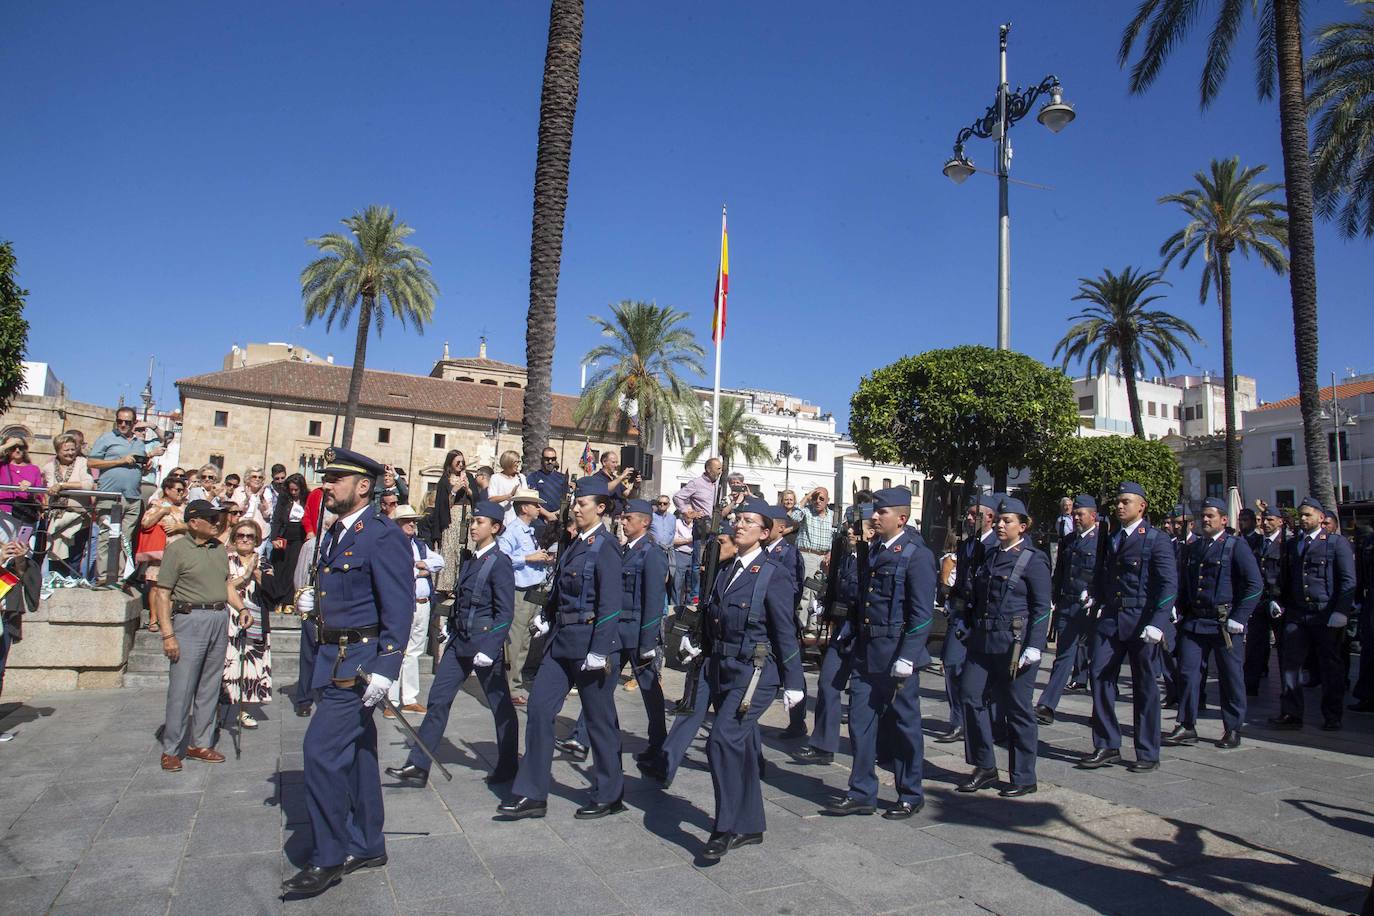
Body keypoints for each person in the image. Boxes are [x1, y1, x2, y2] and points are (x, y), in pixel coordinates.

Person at [281, 448, 412, 897]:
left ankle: (329, 856)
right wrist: (312, 604)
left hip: (358, 664)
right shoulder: (335, 532)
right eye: (327, 477)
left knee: (319, 752)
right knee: (358, 755)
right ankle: (369, 843)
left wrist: (387, 667)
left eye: (336, 479)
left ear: (362, 486)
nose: (327, 485)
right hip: (332, 656)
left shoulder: (382, 535)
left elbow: (399, 604)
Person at [497, 474, 625, 821]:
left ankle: (610, 792)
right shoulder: (575, 543)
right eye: (576, 503)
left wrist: (600, 650)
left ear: (600, 508)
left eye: (583, 504)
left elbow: (612, 602)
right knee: (539, 710)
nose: (577, 509)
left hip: (590, 644)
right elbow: (560, 589)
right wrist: (547, 616)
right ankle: (532, 793)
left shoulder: (606, 546)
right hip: (561, 641)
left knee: (599, 722)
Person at [693, 496, 804, 859]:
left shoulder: (774, 574)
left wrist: (795, 682)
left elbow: (786, 632)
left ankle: (724, 827)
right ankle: (751, 823)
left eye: (749, 521)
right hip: (723, 669)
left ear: (765, 532)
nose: (739, 525)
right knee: (736, 746)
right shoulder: (728, 569)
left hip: (755, 674)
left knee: (721, 742)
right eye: (738, 519)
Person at [387, 500, 518, 786]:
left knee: (500, 706)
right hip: (460, 642)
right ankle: (419, 765)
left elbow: (505, 612)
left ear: (495, 528)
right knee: (438, 700)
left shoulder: (500, 563)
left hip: (484, 645)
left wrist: (490, 647)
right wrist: (450, 624)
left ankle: (509, 765)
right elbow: (463, 598)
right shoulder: (471, 559)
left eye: (480, 522)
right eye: (472, 521)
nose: (473, 526)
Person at [824, 488, 936, 816]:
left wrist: (908, 656)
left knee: (904, 725)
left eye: (882, 513)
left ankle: (910, 793)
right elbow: (865, 598)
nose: (874, 516)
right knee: (860, 722)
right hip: (866, 650)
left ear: (901, 518)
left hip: (896, 652)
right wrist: (850, 627)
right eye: (875, 511)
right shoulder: (874, 550)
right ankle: (861, 791)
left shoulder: (917, 554)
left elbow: (921, 614)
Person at [952, 496, 1051, 797]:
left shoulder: (1033, 559)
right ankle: (984, 765)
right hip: (982, 641)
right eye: (999, 520)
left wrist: (1036, 645)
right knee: (969, 696)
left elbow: (1042, 606)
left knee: (1017, 709)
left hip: (1014, 645)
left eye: (1008, 521)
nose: (1001, 525)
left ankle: (1023, 775)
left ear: (1023, 526)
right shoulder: (989, 556)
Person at [1078, 482, 1177, 773]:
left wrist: (1158, 623)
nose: (1120, 506)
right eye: (1118, 502)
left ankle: (1147, 751)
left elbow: (1168, 584)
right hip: (1111, 618)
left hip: (1141, 620)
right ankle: (1107, 744)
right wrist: (1094, 593)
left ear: (1141, 506)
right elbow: (1103, 572)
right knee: (1099, 675)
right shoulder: (1111, 538)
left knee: (1145, 686)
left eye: (1126, 501)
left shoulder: (1156, 539)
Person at [563, 498, 669, 763]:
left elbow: (654, 600)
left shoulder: (651, 553)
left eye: (629, 518)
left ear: (645, 522)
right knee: (600, 685)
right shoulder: (622, 550)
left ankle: (659, 744)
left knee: (649, 689)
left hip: (636, 632)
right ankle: (581, 737)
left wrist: (648, 640)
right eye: (622, 518)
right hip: (616, 630)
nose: (623, 522)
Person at [152, 500, 250, 771]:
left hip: (219, 617)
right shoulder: (178, 549)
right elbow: (162, 592)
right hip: (189, 618)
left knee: (209, 685)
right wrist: (168, 635)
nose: (216, 522)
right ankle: (171, 748)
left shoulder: (219, 549)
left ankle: (201, 743)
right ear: (194, 522)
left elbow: (226, 584)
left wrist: (240, 607)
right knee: (182, 688)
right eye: (210, 518)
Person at [1164, 497, 1261, 750]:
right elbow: (1186, 583)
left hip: (1224, 624)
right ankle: (1186, 724)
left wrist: (1240, 617)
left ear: (1224, 520)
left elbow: (1254, 584)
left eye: (1211, 516)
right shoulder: (1194, 548)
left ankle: (1232, 727)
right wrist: (1178, 608)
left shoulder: (1235, 546)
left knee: (1230, 677)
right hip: (1196, 621)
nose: (1205, 520)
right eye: (1203, 516)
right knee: (1187, 673)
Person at [1270, 497, 1357, 732]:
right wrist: (1278, 600)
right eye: (1301, 515)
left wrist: (1340, 611)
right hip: (1298, 613)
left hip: (1325, 613)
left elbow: (1348, 580)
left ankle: (1332, 714)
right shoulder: (1292, 544)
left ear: (1321, 517)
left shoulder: (1335, 543)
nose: (1304, 519)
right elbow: (1285, 578)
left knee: (1330, 666)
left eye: (1308, 514)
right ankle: (1291, 712)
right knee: (1290, 664)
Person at [796, 506, 870, 765]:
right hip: (843, 629)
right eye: (849, 525)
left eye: (857, 527)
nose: (851, 530)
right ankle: (823, 743)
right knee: (827, 684)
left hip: (866, 632)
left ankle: (883, 749)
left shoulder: (874, 558)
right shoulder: (846, 555)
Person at [1035, 495, 1102, 726]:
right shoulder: (1069, 540)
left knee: (1098, 659)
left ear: (1093, 516)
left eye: (1080, 514)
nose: (1075, 518)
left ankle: (1100, 710)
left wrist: (1097, 594)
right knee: (1063, 656)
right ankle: (1047, 705)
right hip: (1068, 604)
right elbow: (1061, 572)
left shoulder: (1102, 540)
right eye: (1074, 514)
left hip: (1092, 607)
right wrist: (1054, 597)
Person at [937, 494, 998, 744]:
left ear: (990, 518)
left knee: (987, 675)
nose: (970, 518)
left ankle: (988, 721)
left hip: (985, 616)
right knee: (951, 664)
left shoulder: (996, 543)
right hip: (962, 614)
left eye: (975, 514)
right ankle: (958, 721)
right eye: (969, 514)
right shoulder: (966, 544)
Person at [88, 410, 164, 585]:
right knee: (106, 537)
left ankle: (120, 577)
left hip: (132, 497)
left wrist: (144, 465)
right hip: (110, 495)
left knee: (125, 539)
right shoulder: (106, 438)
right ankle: (103, 577)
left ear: (134, 423)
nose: (123, 425)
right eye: (120, 421)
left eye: (127, 422)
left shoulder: (139, 443)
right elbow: (92, 462)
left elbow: (138, 465)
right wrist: (119, 461)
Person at [384, 506, 445, 714]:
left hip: (423, 602)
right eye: (407, 521)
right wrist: (418, 570)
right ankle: (391, 700)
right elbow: (398, 570)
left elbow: (439, 561)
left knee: (414, 652)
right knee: (397, 650)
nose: (412, 524)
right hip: (403, 603)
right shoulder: (392, 545)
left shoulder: (418, 544)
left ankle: (409, 697)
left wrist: (421, 564)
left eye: (413, 521)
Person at [497, 489, 554, 701]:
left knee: (525, 640)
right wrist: (529, 558)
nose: (539, 509)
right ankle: (511, 686)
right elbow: (502, 557)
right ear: (524, 508)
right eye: (535, 505)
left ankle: (515, 682)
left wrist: (540, 559)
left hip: (532, 589)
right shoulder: (512, 531)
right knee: (516, 639)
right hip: (520, 591)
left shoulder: (528, 531)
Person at [762, 504, 808, 739]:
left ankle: (797, 722)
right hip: (762, 620)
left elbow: (794, 588)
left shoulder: (788, 553)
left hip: (782, 619)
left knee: (791, 666)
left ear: (781, 529)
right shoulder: (760, 550)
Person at [225, 519, 273, 729]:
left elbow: (274, 590)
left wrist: (256, 573)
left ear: (257, 540)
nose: (245, 539)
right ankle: (220, 709)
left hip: (256, 617)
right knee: (227, 663)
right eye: (241, 535)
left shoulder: (263, 562)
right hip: (229, 617)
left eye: (250, 536)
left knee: (250, 665)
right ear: (234, 538)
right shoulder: (225, 559)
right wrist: (245, 575)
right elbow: (221, 586)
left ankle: (244, 710)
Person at [0, 511, 39, 742]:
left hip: (5, 614)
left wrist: (19, 559)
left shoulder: (11, 537)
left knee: (0, 669)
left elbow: (22, 577)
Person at [1245, 507, 1288, 697]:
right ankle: (1250, 684)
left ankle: (1287, 689)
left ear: (1280, 521)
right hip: (1259, 600)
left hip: (1278, 602)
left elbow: (1287, 574)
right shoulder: (1254, 542)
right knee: (1255, 644)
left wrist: (1279, 598)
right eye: (1263, 519)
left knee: (1284, 647)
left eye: (1270, 519)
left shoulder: (1285, 544)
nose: (1265, 523)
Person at [137, 475, 188, 628]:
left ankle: (166, 619)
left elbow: (195, 527)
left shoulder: (185, 507)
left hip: (179, 553)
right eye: (178, 489)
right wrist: (161, 512)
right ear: (167, 490)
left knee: (172, 588)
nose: (181, 493)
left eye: (183, 490)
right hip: (161, 552)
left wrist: (180, 527)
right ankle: (153, 618)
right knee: (156, 587)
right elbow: (145, 523)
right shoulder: (157, 504)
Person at [43, 432, 95, 575]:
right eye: (66, 450)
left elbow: (88, 485)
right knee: (56, 557)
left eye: (73, 449)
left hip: (79, 517)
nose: (71, 453)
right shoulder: (49, 467)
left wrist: (62, 485)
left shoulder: (82, 463)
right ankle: (56, 585)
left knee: (74, 557)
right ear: (57, 451)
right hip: (57, 518)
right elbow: (45, 488)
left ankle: (70, 586)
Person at [427, 450, 480, 588]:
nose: (461, 465)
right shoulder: (444, 480)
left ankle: (463, 583)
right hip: (451, 520)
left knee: (466, 551)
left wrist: (468, 489)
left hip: (467, 517)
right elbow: (442, 506)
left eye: (463, 462)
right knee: (450, 552)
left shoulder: (469, 476)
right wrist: (454, 490)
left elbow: (476, 499)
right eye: (458, 462)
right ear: (450, 462)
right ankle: (447, 587)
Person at [673, 457, 722, 601]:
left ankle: (707, 593)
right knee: (697, 564)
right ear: (708, 469)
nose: (720, 471)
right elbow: (678, 497)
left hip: (714, 527)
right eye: (718, 468)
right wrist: (687, 512)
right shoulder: (696, 483)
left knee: (711, 561)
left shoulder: (717, 485)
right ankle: (694, 595)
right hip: (702, 528)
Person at [265, 474, 311, 612]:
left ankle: (289, 600)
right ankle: (277, 600)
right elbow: (277, 519)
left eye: (296, 490)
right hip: (284, 535)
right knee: (280, 567)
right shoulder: (284, 498)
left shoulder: (307, 498)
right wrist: (274, 537)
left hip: (299, 537)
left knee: (293, 567)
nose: (293, 492)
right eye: (291, 490)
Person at [526, 447, 569, 540]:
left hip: (557, 522)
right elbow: (531, 500)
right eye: (547, 459)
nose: (550, 461)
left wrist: (556, 515)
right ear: (542, 459)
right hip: (539, 522)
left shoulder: (562, 478)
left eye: (553, 459)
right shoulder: (533, 477)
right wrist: (547, 515)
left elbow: (566, 499)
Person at [795, 487, 835, 586]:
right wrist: (807, 497)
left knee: (819, 591)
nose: (818, 501)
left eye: (821, 499)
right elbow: (794, 516)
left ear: (828, 500)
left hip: (824, 559)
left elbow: (835, 537)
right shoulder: (807, 511)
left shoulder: (832, 515)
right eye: (815, 498)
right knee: (806, 591)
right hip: (808, 556)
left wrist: (830, 553)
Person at [485, 450, 526, 521]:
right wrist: (509, 495)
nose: (518, 465)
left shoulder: (521, 477)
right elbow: (491, 499)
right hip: (501, 519)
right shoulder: (496, 478)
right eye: (516, 462)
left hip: (518, 520)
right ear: (508, 462)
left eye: (519, 462)